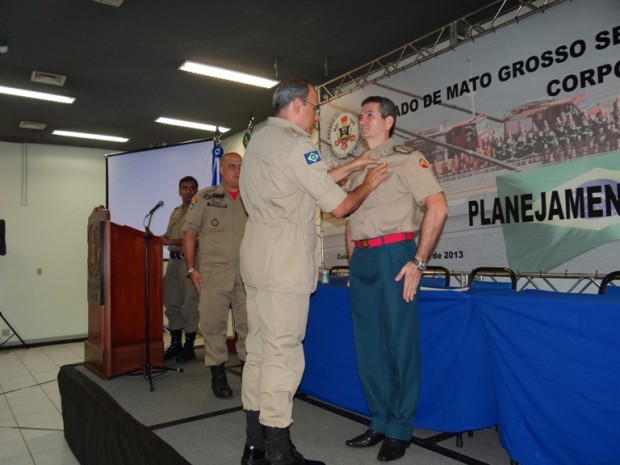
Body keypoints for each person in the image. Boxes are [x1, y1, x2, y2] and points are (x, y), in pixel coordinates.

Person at [238, 77, 389, 465]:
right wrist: (368, 184)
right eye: (315, 107)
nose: (318, 115)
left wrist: (354, 164)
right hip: (283, 257)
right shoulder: (296, 144)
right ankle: (278, 452)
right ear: (297, 106)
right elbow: (340, 206)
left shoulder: (260, 141)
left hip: (256, 252)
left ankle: (254, 446)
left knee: (259, 348)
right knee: (283, 353)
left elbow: (305, 181)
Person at [344, 96, 448, 462]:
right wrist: (354, 264)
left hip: (394, 255)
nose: (362, 120)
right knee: (369, 345)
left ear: (388, 122)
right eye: (360, 115)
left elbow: (438, 205)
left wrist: (418, 262)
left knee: (399, 344)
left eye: (370, 115)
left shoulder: (406, 158)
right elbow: (351, 218)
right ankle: (380, 420)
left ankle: (400, 428)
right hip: (363, 259)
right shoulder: (358, 166)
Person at [182, 152, 248, 399]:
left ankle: (249, 373)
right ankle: (218, 376)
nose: (237, 170)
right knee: (213, 327)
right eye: (232, 166)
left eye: (240, 166)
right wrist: (191, 269)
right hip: (214, 274)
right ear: (221, 170)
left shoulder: (253, 196)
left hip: (247, 275)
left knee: (250, 327)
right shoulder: (206, 198)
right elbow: (189, 232)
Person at [161, 176, 200, 362]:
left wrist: (169, 241)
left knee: (189, 305)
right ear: (179, 191)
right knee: (171, 303)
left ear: (196, 191)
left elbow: (198, 240)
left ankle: (189, 347)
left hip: (190, 262)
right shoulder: (175, 213)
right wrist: (155, 239)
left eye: (192, 188)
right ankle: (175, 344)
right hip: (173, 263)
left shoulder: (200, 211)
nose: (188, 191)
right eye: (184, 188)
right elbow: (168, 235)